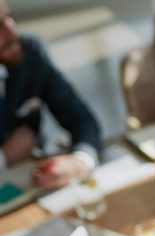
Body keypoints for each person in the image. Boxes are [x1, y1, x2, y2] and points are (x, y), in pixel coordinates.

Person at [0, 1, 100, 189]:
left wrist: (79, 162)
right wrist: (4, 157)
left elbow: (82, 120)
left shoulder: (29, 52)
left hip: (33, 183)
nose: (11, 33)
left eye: (8, 19)